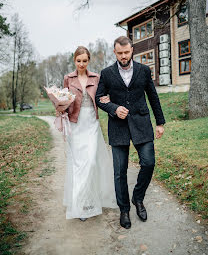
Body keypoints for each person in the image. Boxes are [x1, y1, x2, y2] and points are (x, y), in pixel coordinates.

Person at [95, 36, 165, 229]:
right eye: (120, 53)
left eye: (126, 52)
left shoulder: (143, 70)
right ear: (115, 52)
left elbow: (153, 96)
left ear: (132, 50)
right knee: (119, 173)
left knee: (149, 163)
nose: (124, 56)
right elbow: (99, 98)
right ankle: (124, 209)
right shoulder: (107, 73)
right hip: (118, 128)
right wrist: (114, 108)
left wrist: (160, 122)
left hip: (142, 124)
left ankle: (138, 198)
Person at [62, 46, 117, 221]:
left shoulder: (96, 77)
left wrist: (108, 100)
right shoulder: (68, 79)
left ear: (89, 61)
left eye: (85, 60)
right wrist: (60, 107)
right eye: (79, 60)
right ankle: (81, 205)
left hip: (92, 123)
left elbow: (102, 96)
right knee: (79, 166)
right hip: (75, 125)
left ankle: (94, 198)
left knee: (92, 163)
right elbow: (62, 100)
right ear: (74, 60)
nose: (82, 64)